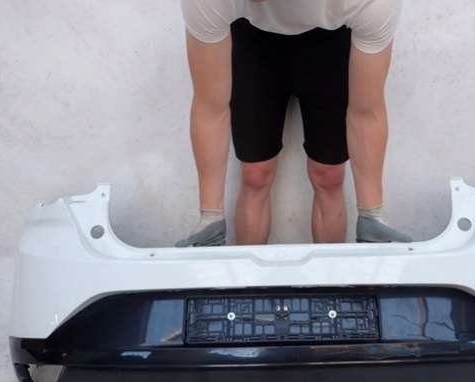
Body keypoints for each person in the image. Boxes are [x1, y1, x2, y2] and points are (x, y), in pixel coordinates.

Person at [176, 0, 412, 247]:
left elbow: (366, 111)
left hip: (330, 41)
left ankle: (333, 270)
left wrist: (372, 216)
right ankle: (243, 268)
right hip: (253, 41)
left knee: (329, 176)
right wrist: (210, 218)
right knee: (255, 175)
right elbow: (211, 107)